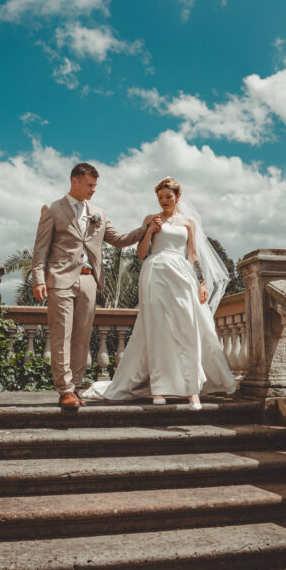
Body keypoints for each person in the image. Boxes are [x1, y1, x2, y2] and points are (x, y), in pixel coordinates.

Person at [85, 176, 235, 408]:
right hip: (155, 273)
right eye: (160, 197)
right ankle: (159, 389)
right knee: (157, 329)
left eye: (168, 196)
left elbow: (193, 254)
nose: (164, 200)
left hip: (181, 275)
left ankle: (191, 390)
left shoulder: (188, 223)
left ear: (177, 197)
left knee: (187, 329)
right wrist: (149, 231)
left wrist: (202, 283)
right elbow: (142, 253)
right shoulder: (150, 219)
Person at [31, 162, 145, 411]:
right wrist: (38, 279)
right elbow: (40, 248)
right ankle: (65, 390)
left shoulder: (98, 213)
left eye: (95, 185)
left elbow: (117, 240)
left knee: (82, 337)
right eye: (90, 185)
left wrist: (145, 228)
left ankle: (77, 386)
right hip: (59, 279)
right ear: (76, 182)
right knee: (61, 335)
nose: (94, 190)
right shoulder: (52, 209)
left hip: (89, 280)